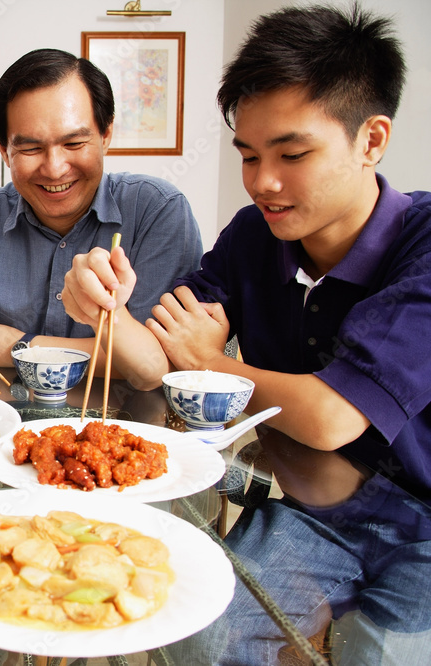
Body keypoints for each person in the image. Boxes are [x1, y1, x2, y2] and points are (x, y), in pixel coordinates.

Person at [63, 4, 431, 662]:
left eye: (292, 154)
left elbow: (330, 416)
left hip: (425, 517)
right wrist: (107, 309)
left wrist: (211, 360)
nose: (263, 182)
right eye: (249, 155)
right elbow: (157, 362)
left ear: (371, 140)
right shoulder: (252, 237)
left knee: (378, 652)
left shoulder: (423, 242)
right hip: (314, 510)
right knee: (200, 631)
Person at [0, 48, 202, 390]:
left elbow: (158, 365)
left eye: (74, 142)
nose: (54, 168)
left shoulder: (158, 211)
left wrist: (19, 346)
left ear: (106, 134)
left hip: (126, 428)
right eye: (31, 149)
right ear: (4, 148)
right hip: (4, 430)